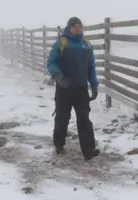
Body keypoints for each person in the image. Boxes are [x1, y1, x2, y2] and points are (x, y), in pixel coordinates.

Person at [46, 16, 100, 161]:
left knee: (84, 118)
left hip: (81, 88)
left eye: (80, 26)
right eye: (75, 26)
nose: (78, 29)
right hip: (64, 87)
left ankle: (89, 150)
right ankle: (59, 144)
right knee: (62, 117)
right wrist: (58, 76)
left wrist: (94, 84)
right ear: (69, 28)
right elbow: (51, 63)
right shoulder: (61, 43)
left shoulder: (86, 45)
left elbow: (91, 67)